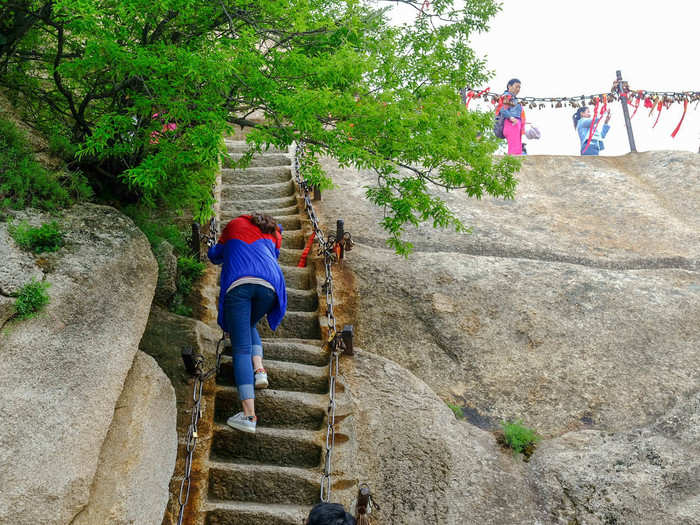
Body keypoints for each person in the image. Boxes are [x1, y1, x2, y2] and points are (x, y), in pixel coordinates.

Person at [207, 213, 287, 433]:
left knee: (240, 349)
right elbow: (275, 254)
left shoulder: (233, 225)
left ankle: (249, 416)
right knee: (248, 325)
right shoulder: (274, 232)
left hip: (240, 284)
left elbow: (214, 255)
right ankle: (260, 370)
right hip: (271, 286)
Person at [498, 78, 526, 155]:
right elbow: (502, 109)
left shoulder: (514, 98)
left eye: (519, 87)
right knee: (514, 149)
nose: (518, 89)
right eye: (516, 86)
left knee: (517, 147)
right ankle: (512, 165)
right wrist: (511, 118)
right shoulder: (507, 96)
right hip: (511, 124)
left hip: (515, 124)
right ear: (509, 86)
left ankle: (515, 164)